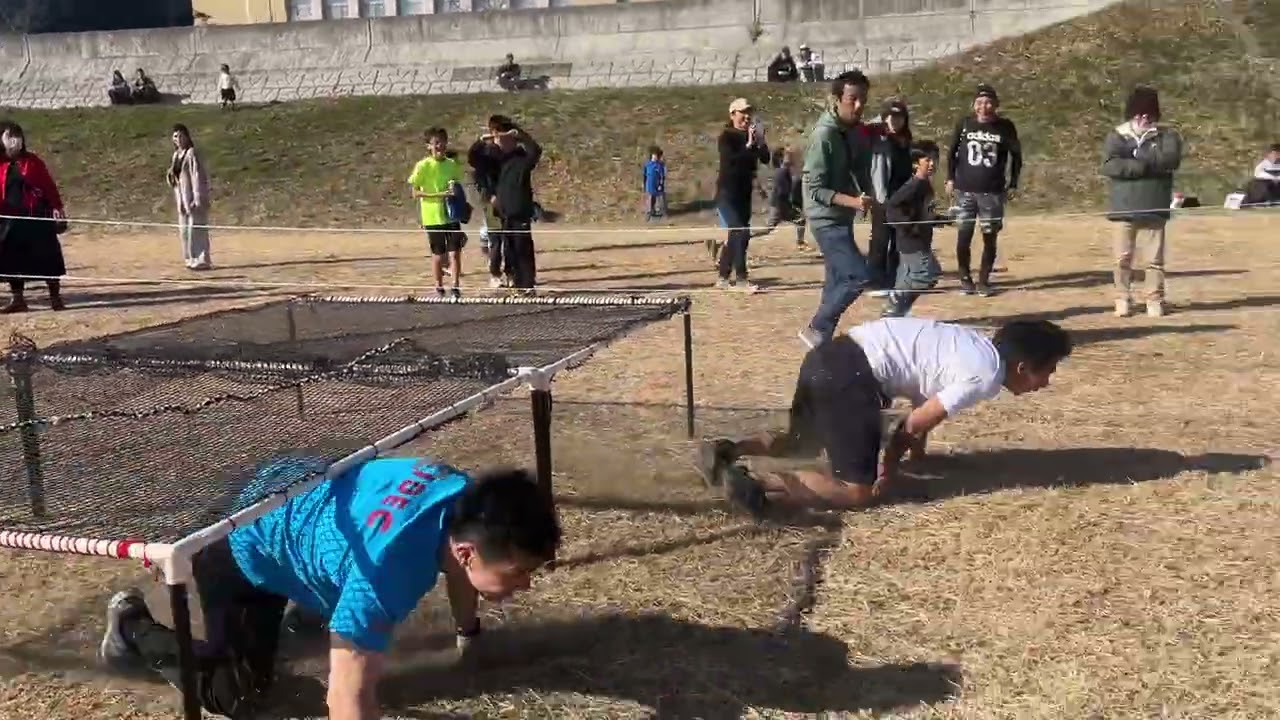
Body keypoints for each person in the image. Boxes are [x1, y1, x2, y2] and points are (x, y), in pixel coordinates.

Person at [98, 456, 561, 720]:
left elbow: (463, 574)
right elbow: (346, 701)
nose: (525, 583)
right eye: (519, 571)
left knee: (318, 629)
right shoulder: (386, 577)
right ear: (466, 552)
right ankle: (132, 628)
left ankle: (302, 613)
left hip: (297, 505)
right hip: (238, 546)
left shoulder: (462, 499)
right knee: (239, 697)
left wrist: (469, 639)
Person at [697, 318, 1072, 514]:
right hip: (853, 377)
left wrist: (919, 457)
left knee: (800, 441)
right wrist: (888, 469)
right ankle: (755, 484)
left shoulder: (971, 344)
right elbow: (914, 423)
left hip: (829, 356)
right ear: (1023, 367)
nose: (1047, 383)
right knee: (856, 491)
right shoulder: (986, 375)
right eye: (1048, 372)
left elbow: (923, 404)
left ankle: (727, 451)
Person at [797, 70, 881, 349]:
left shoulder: (853, 131)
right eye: (852, 100)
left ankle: (821, 342)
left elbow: (859, 167)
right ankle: (817, 327)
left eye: (863, 100)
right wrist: (854, 202)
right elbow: (815, 190)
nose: (858, 106)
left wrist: (868, 194)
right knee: (857, 276)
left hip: (841, 217)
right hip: (825, 218)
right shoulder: (824, 137)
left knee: (835, 283)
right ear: (836, 99)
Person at [1100, 85, 1183, 318]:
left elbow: (1170, 160)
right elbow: (1109, 165)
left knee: (1154, 260)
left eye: (1149, 113)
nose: (1144, 117)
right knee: (1121, 258)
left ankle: (1154, 299)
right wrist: (1138, 165)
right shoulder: (1117, 135)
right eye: (1140, 113)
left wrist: (1137, 155)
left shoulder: (1167, 135)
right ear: (1132, 113)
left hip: (1154, 206)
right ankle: (1122, 297)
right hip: (1123, 208)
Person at [945, 83, 1022, 297]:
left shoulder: (1005, 127)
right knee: (964, 235)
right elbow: (952, 153)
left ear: (995, 105)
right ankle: (964, 276)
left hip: (992, 192)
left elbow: (1016, 157)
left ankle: (984, 280)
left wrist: (1013, 183)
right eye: (979, 102)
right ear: (974, 105)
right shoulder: (964, 124)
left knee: (990, 236)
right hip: (964, 191)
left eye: (988, 102)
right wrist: (950, 178)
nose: (984, 107)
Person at [0, 121, 68, 313]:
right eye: (9, 136)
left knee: (48, 256)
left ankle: (55, 298)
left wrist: (57, 207)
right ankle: (18, 299)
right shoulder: (0, 164)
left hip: (36, 215)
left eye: (17, 136)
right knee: (11, 259)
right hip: (8, 218)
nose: (14, 141)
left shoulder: (33, 162)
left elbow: (48, 186)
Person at [880, 140, 950, 318]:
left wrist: (940, 219)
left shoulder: (925, 185)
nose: (932, 163)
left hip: (918, 241)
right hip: (912, 241)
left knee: (907, 279)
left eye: (934, 159)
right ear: (915, 164)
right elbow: (892, 207)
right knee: (928, 274)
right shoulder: (915, 185)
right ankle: (894, 303)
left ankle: (896, 313)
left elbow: (921, 213)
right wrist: (909, 226)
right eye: (927, 160)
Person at [714, 97, 770, 292]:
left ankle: (722, 276)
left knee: (737, 234)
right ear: (732, 114)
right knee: (740, 232)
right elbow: (731, 162)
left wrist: (760, 142)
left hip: (744, 193)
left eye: (749, 112)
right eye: (742, 112)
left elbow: (765, 158)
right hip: (727, 192)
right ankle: (741, 279)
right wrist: (748, 144)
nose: (747, 116)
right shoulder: (726, 137)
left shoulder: (751, 136)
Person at [408, 127, 467, 298]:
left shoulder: (451, 165)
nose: (439, 146)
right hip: (432, 216)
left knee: (455, 252)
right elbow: (415, 193)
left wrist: (457, 197)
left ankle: (455, 286)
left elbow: (456, 186)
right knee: (438, 255)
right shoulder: (422, 166)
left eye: (442, 142)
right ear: (428, 146)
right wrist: (439, 195)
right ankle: (439, 285)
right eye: (435, 143)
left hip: (451, 215)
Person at [490, 117, 542, 294]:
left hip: (520, 210)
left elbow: (536, 150)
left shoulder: (523, 158)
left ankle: (527, 284)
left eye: (504, 137)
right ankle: (514, 281)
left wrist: (519, 133)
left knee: (523, 248)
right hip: (503, 213)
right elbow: (475, 158)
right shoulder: (497, 159)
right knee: (509, 248)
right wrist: (485, 139)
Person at [867, 98, 914, 289]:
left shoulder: (905, 139)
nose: (895, 121)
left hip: (903, 195)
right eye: (891, 117)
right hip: (883, 195)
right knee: (880, 239)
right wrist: (880, 120)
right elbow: (861, 129)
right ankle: (875, 280)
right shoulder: (878, 136)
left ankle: (893, 278)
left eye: (899, 117)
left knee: (899, 240)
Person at [166, 124, 212, 271]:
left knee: (197, 228)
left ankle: (201, 258)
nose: (178, 139)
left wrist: (198, 197)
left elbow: (197, 175)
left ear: (187, 137)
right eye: (175, 136)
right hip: (181, 197)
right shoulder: (176, 156)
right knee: (185, 230)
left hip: (193, 197)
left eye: (181, 136)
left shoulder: (191, 153)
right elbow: (176, 175)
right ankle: (189, 257)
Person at [468, 117, 507, 288]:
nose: (498, 135)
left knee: (511, 239)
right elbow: (473, 159)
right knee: (496, 238)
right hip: (491, 200)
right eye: (495, 131)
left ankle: (511, 272)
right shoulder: (485, 152)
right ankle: (495, 274)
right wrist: (480, 141)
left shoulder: (510, 151)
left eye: (502, 131)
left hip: (510, 199)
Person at [766, 146, 806, 248]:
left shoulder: (785, 171)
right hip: (779, 205)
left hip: (781, 204)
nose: (791, 157)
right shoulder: (782, 172)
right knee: (768, 228)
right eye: (788, 155)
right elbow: (781, 193)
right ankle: (745, 234)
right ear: (781, 159)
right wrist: (788, 206)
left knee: (800, 220)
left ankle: (800, 242)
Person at [1242, 143, 1279, 208]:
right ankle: (1263, 202)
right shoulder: (1263, 165)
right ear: (1269, 155)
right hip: (1266, 186)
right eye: (1275, 154)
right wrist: (1273, 178)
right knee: (1260, 183)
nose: (1277, 156)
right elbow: (1258, 174)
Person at [643, 146, 667, 222]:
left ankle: (662, 213)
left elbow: (662, 176)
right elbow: (645, 175)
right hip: (649, 185)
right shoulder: (647, 164)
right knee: (649, 199)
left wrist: (660, 184)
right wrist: (644, 184)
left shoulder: (659, 165)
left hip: (657, 186)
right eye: (654, 155)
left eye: (656, 155)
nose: (655, 156)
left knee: (660, 200)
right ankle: (649, 213)